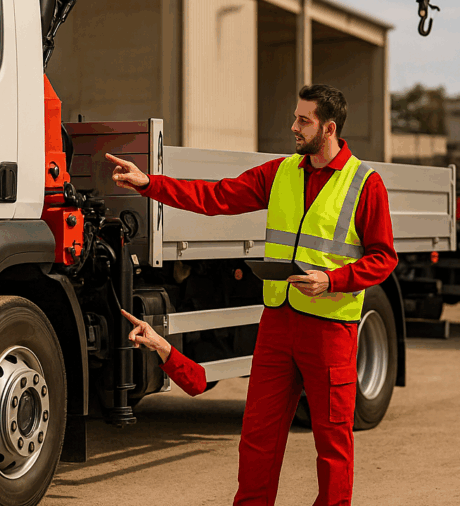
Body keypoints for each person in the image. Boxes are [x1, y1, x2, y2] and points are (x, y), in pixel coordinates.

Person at [106, 84, 397, 506]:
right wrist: (150, 184)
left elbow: (384, 258)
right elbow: (215, 197)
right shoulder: (280, 173)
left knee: (333, 446)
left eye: (304, 120)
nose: (293, 126)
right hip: (278, 324)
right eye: (295, 117)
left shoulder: (365, 185)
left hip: (330, 330)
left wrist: (331, 281)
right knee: (258, 440)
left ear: (329, 129)